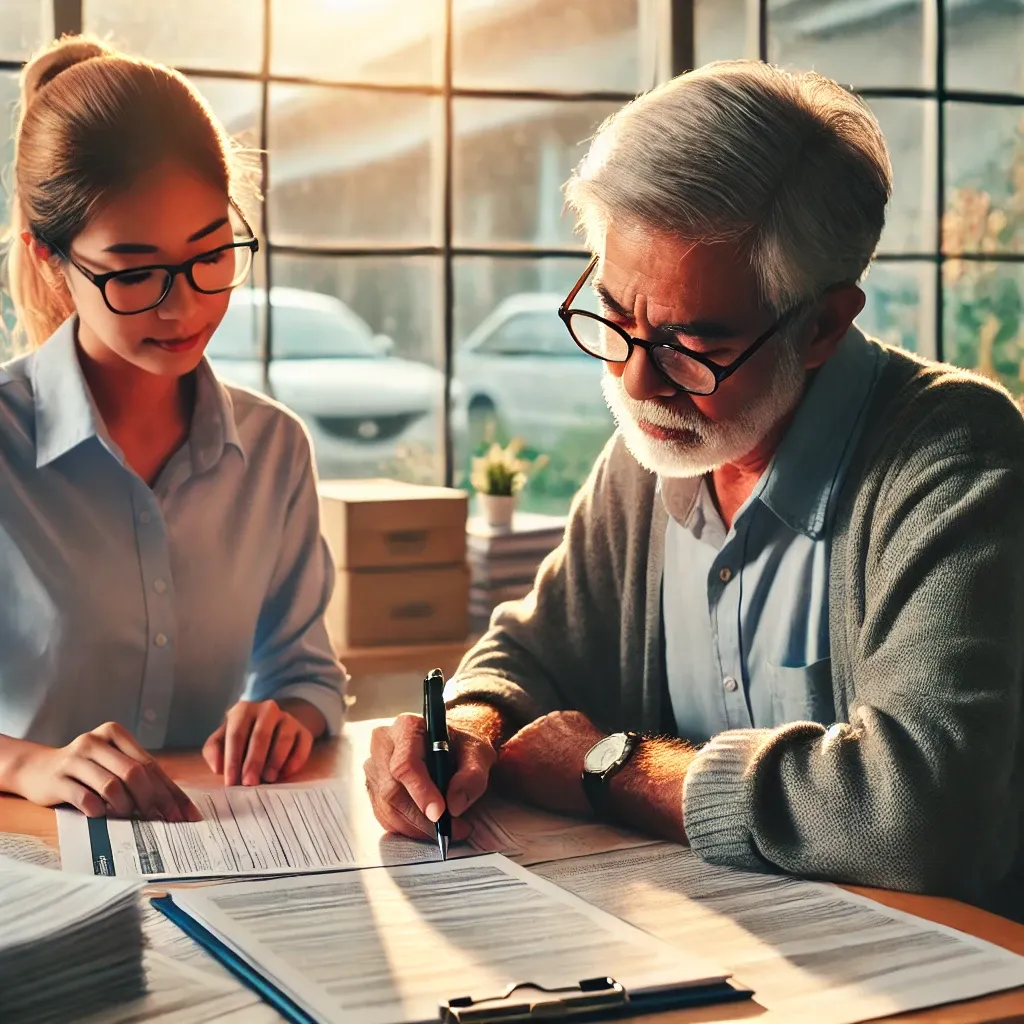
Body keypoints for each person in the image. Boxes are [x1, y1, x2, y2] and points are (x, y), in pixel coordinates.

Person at [365, 60, 1024, 920]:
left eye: (691, 343)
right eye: (615, 319)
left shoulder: (952, 456)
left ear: (823, 324)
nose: (638, 382)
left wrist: (616, 768)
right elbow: (534, 653)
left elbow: (919, 815)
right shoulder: (652, 457)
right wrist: (467, 727)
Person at [0, 37, 348, 822]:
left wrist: (285, 714)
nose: (183, 306)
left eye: (210, 255)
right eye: (132, 273)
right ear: (50, 260)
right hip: (32, 862)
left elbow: (305, 672)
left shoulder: (273, 451)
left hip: (216, 850)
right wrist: (32, 766)